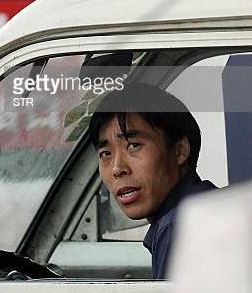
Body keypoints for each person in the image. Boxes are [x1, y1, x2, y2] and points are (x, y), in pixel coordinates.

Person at [88, 82, 217, 279]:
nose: (117, 168)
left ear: (180, 150)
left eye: (133, 146)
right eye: (105, 153)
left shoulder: (181, 225)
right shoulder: (204, 207)